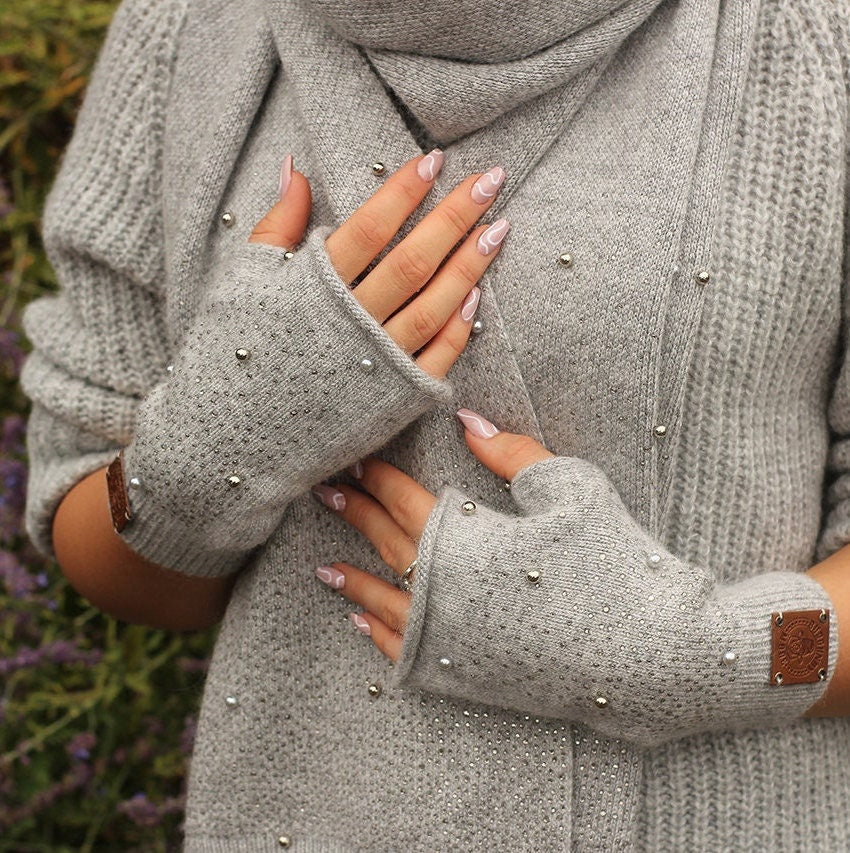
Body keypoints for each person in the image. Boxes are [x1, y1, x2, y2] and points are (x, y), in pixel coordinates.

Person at [19, 0, 850, 848]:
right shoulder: (187, 26)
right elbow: (97, 523)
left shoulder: (815, 32)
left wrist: (692, 656)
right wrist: (227, 429)